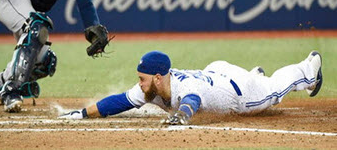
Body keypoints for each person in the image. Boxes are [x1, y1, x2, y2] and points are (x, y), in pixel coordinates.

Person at [59, 50, 323, 125]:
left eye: (143, 78)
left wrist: (182, 116)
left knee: (272, 93)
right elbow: (119, 101)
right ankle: (255, 75)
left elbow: (191, 100)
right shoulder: (153, 87)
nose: (139, 83)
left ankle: (307, 69)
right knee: (259, 81)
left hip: (238, 92)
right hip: (216, 71)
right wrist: (83, 113)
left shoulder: (184, 88)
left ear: (159, 77)